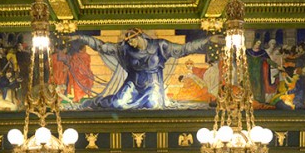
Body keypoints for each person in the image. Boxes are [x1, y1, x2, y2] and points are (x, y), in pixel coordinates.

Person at [69, 28, 214, 109]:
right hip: (132, 84)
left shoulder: (160, 46)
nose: (131, 43)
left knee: (153, 105)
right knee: (118, 104)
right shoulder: (125, 49)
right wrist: (82, 38)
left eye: (132, 40)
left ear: (139, 36)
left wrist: (208, 40)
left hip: (153, 86)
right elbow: (102, 46)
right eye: (128, 41)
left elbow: (185, 49)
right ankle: (98, 102)